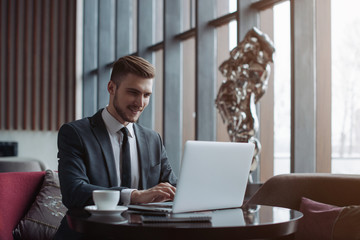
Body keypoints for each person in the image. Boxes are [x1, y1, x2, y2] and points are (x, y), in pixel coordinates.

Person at [54, 55, 177, 240]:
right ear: (111, 88)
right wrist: (135, 196)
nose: (140, 103)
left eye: (146, 95)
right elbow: (74, 192)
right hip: (89, 234)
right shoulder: (75, 134)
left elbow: (172, 187)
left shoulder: (153, 139)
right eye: (133, 92)